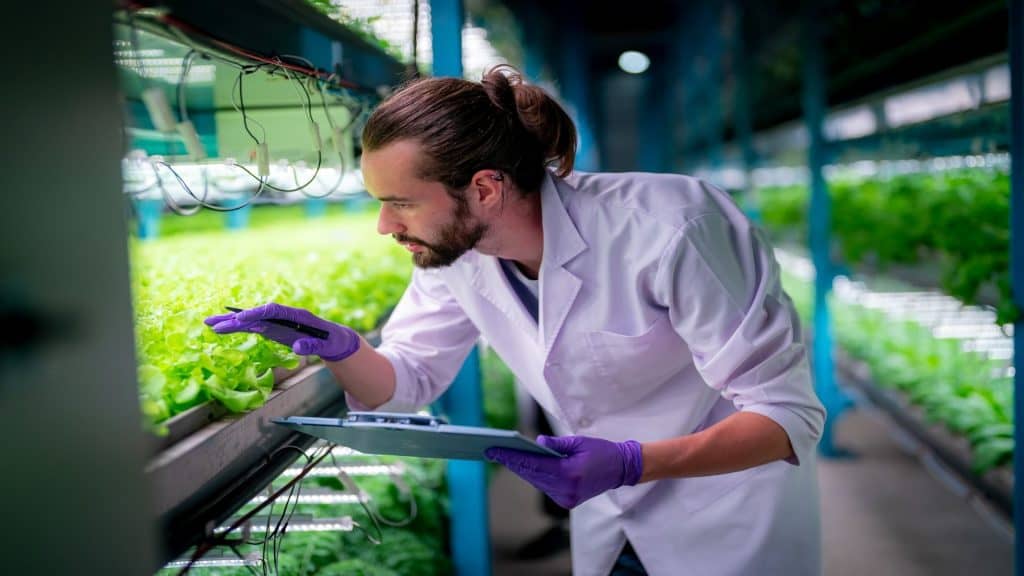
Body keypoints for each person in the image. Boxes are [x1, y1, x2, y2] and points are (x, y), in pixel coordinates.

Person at [206, 65, 825, 576]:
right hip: (607, 514)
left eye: (400, 204)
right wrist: (339, 348)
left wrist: (635, 460)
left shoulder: (672, 228)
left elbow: (785, 416)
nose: (385, 228)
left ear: (485, 189)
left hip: (721, 514)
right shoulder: (456, 256)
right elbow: (407, 380)